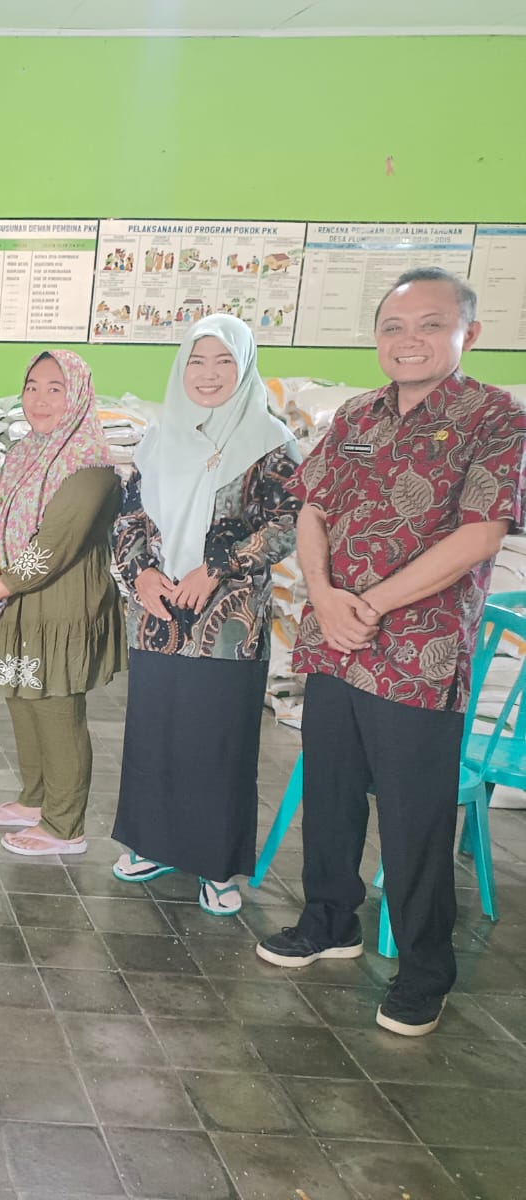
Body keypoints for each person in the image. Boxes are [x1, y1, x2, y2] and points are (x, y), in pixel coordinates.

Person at [254, 267, 526, 1037]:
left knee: (414, 820)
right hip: (334, 645)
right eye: (393, 328)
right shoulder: (356, 416)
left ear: (468, 333)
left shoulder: (494, 418)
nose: (409, 341)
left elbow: (479, 536)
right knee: (330, 794)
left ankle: (423, 971)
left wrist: (368, 606)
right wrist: (322, 593)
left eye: (430, 325)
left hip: (417, 657)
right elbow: (313, 509)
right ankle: (328, 920)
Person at [111, 315, 301, 915]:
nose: (209, 374)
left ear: (244, 367)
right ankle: (153, 843)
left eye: (224, 361)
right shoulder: (159, 438)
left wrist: (216, 567)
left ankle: (215, 865)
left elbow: (287, 523)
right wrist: (141, 573)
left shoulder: (269, 441)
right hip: (158, 613)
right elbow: (131, 515)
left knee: (216, 740)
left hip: (228, 623)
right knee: (156, 733)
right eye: (197, 361)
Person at [0, 350, 126, 855]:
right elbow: (16, 517)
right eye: (32, 386)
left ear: (78, 395)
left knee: (56, 709)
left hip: (63, 603)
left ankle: (65, 825)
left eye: (56, 388)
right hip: (20, 598)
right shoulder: (26, 452)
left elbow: (52, 547)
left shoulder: (91, 466)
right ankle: (35, 799)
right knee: (23, 698)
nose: (40, 399)